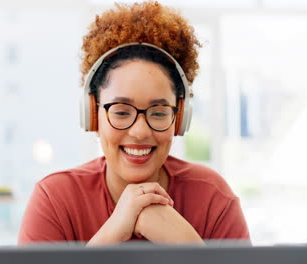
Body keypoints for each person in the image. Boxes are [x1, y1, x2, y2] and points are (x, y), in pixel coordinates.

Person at [18, 1, 250, 246]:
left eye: (159, 113)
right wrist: (112, 234)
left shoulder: (212, 197)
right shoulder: (55, 199)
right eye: (120, 112)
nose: (139, 132)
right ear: (93, 115)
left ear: (179, 118)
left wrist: (189, 247)